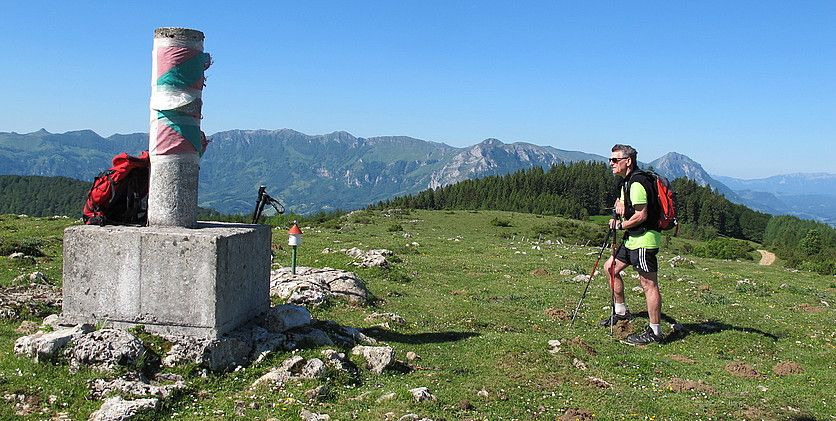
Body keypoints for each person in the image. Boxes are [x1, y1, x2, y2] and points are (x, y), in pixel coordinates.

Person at [601, 144, 663, 345]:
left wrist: (620, 225)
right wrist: (620, 207)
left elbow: (641, 215)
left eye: (615, 160)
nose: (611, 163)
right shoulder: (626, 182)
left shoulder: (637, 183)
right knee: (610, 268)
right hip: (632, 238)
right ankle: (621, 313)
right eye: (610, 160)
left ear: (628, 161)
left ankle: (654, 331)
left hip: (644, 239)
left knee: (648, 284)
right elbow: (626, 208)